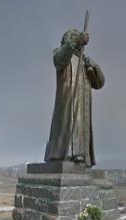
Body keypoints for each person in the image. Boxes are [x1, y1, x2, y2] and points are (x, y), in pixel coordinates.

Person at [44, 29, 105, 168]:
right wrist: (77, 40)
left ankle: (80, 156)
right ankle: (63, 154)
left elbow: (99, 84)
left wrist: (95, 66)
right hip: (68, 102)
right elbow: (58, 60)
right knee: (67, 124)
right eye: (74, 37)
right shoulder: (61, 53)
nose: (78, 39)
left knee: (81, 128)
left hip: (83, 105)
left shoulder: (85, 62)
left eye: (78, 37)